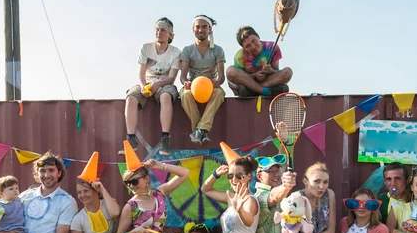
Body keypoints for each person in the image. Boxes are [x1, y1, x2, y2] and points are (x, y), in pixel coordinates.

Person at [121, 17, 181, 156]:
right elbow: (141, 73)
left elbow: (172, 78)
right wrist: (143, 86)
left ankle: (165, 138)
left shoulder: (175, 52)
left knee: (166, 97)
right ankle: (131, 139)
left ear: (170, 34)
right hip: (146, 81)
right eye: (157, 29)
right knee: (131, 97)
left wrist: (158, 84)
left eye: (163, 30)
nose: (159, 32)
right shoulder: (146, 48)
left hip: (164, 84)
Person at [179, 15, 226, 144]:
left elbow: (221, 77)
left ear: (210, 29)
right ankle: (201, 130)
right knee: (185, 95)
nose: (201, 30)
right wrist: (186, 83)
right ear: (193, 29)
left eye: (204, 27)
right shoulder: (187, 50)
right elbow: (182, 77)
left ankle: (199, 129)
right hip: (193, 86)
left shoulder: (218, 50)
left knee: (219, 93)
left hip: (211, 86)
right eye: (198, 27)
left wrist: (217, 82)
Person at [226, 26, 292, 97]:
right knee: (230, 71)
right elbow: (239, 76)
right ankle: (265, 91)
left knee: (288, 72)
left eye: (253, 41)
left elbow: (276, 72)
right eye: (248, 46)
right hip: (249, 81)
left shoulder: (272, 47)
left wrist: (270, 71)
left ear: (258, 36)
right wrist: (255, 75)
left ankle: (252, 91)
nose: (253, 46)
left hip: (265, 82)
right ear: (244, 48)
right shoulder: (240, 56)